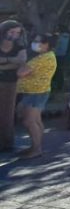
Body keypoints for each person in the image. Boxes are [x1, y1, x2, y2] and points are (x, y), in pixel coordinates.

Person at [14, 33, 58, 159]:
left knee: (29, 121)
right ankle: (35, 146)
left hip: (35, 92)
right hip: (39, 91)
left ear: (47, 44)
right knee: (36, 121)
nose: (35, 43)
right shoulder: (48, 56)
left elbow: (21, 72)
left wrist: (22, 62)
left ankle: (36, 149)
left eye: (38, 41)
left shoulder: (42, 58)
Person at [0, 20, 25, 152]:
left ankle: (7, 142)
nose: (15, 35)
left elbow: (21, 63)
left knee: (7, 113)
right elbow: (16, 62)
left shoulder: (20, 47)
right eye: (12, 32)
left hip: (11, 83)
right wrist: (12, 61)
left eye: (18, 32)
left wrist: (4, 62)